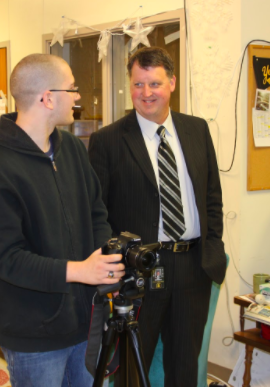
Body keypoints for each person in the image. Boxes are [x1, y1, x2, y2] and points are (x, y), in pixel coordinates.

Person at [0, 53, 125, 387]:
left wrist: (103, 257)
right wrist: (80, 270)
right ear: (47, 97)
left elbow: (96, 212)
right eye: (72, 88)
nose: (78, 96)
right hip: (33, 334)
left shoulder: (71, 149)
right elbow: (6, 259)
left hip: (85, 320)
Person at [88, 47, 226, 387]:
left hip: (193, 266)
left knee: (184, 364)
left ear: (172, 83)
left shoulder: (196, 130)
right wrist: (114, 264)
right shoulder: (108, 140)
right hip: (142, 269)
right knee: (133, 367)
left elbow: (211, 197)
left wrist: (212, 245)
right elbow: (97, 212)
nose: (146, 93)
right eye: (138, 84)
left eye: (154, 83)